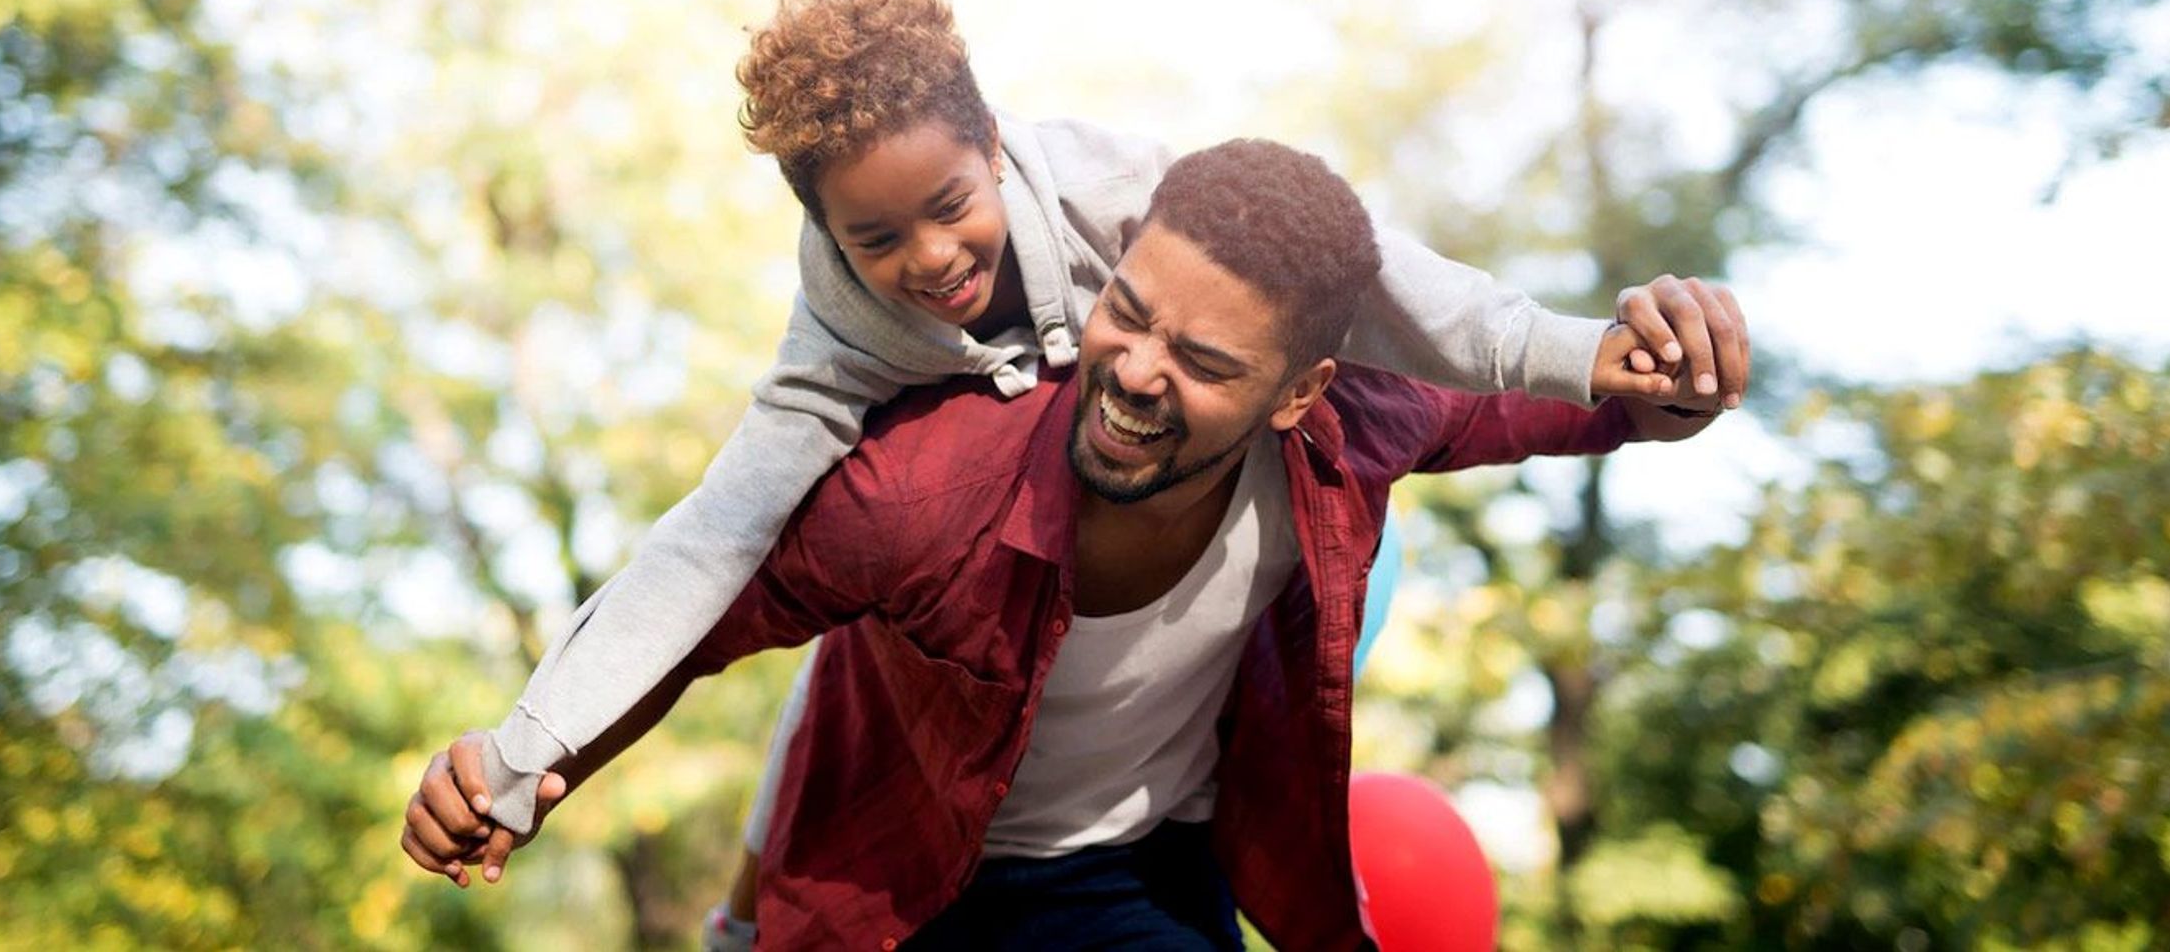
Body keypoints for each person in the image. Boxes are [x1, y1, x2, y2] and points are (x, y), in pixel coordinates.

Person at [403, 137, 1744, 948]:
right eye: (1130, 313)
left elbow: (1606, 409)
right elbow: (703, 609)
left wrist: (1682, 367)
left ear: (1295, 394)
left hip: (1130, 879)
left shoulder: (1359, 423)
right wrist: (527, 761)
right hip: (904, 885)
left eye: (1204, 360)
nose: (1136, 371)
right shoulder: (920, 489)